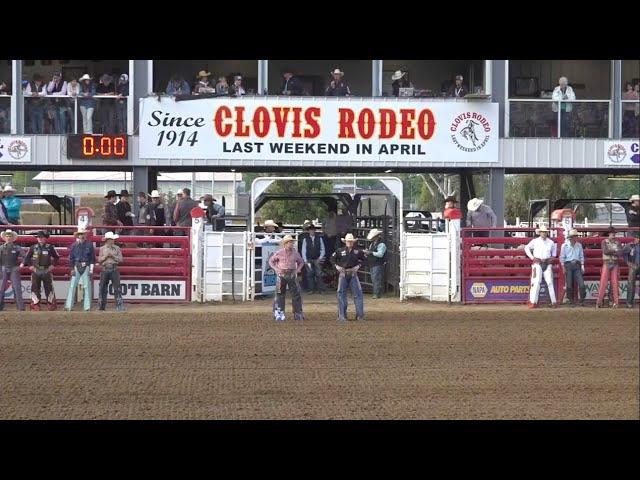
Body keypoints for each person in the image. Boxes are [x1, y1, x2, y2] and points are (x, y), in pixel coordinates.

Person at [268, 235, 305, 321]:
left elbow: (301, 262)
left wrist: (297, 270)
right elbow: (271, 261)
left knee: (296, 294)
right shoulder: (279, 253)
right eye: (289, 242)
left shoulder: (295, 253)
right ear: (285, 243)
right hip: (282, 274)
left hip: (291, 273)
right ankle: (279, 312)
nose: (291, 244)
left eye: (292, 242)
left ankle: (298, 313)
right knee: (280, 294)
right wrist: (276, 269)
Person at [21, 231, 60, 311]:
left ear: (45, 238)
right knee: (35, 287)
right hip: (36, 270)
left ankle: (50, 304)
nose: (40, 239)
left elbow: (57, 257)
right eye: (38, 237)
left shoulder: (50, 247)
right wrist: (30, 266)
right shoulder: (32, 247)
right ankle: (35, 304)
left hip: (46, 270)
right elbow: (27, 258)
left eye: (41, 237)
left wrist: (52, 266)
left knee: (49, 288)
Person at [332, 233, 366, 321]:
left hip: (353, 273)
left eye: (351, 241)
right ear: (345, 242)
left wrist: (358, 266)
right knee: (342, 294)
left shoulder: (358, 252)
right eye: (348, 241)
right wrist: (337, 266)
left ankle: (359, 315)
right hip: (343, 273)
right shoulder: (340, 251)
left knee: (356, 294)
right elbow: (332, 259)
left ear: (353, 242)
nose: (349, 243)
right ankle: (342, 315)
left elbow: (365, 260)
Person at [524, 225, 558, 308]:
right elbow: (526, 248)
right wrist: (532, 258)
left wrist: (551, 259)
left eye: (545, 232)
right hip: (538, 262)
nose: (544, 233)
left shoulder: (551, 242)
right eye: (543, 232)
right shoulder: (535, 241)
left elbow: (554, 254)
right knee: (536, 282)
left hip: (547, 262)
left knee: (549, 282)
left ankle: (553, 302)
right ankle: (533, 302)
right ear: (540, 233)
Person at [65, 229, 95, 312]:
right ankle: (69, 306)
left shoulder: (89, 245)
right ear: (78, 236)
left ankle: (87, 307)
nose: (81, 236)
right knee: (73, 286)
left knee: (86, 286)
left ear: (85, 235)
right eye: (80, 234)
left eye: (83, 234)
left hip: (86, 265)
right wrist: (71, 268)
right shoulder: (74, 245)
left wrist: (91, 269)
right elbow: (71, 258)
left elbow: (92, 258)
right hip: (76, 266)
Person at [98, 231, 125, 312]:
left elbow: (121, 260)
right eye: (112, 239)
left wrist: (113, 257)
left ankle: (119, 305)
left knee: (117, 288)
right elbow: (99, 260)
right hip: (105, 268)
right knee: (103, 288)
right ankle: (102, 306)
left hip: (114, 268)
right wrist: (106, 257)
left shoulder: (117, 248)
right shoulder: (102, 249)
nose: (113, 240)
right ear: (108, 240)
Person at [596, 227, 622, 309]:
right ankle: (601, 302)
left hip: (611, 263)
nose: (613, 235)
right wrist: (615, 251)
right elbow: (606, 251)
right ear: (609, 234)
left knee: (613, 283)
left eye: (614, 234)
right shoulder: (607, 242)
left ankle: (603, 302)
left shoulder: (607, 242)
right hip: (610, 263)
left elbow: (619, 252)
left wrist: (611, 251)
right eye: (612, 234)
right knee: (605, 283)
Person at [559, 228, 586, 307]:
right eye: (574, 236)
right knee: (569, 284)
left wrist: (582, 265)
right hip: (569, 265)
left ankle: (581, 300)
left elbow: (581, 256)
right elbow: (562, 257)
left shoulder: (578, 245)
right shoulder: (565, 246)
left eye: (576, 236)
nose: (576, 238)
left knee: (581, 284)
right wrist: (563, 267)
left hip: (576, 265)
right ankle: (571, 300)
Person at [0, 229, 25, 311]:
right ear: (5, 237)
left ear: (12, 237)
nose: (8, 237)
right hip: (3, 268)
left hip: (14, 268)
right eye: (7, 236)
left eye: (10, 236)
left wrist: (21, 265)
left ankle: (20, 308)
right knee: (1, 288)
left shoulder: (17, 247)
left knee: (17, 288)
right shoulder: (1, 248)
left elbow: (25, 257)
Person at [301, 224, 326, 294]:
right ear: (309, 231)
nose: (311, 231)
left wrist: (320, 258)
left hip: (317, 258)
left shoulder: (319, 238)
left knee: (319, 274)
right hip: (308, 259)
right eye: (310, 230)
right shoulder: (305, 239)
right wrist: (305, 260)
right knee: (310, 274)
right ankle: (311, 289)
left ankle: (320, 289)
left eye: (313, 230)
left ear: (314, 230)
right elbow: (303, 250)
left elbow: (323, 249)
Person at [365, 228, 386, 299]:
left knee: (375, 279)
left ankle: (377, 293)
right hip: (374, 263)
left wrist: (370, 252)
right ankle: (376, 293)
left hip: (377, 263)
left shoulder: (381, 244)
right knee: (375, 279)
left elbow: (380, 254)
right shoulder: (373, 244)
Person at [623, 233, 640, 308]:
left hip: (635, 265)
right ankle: (629, 302)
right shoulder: (629, 245)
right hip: (633, 265)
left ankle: (629, 302)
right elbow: (624, 253)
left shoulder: (630, 245)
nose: (638, 239)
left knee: (631, 283)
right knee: (631, 284)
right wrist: (628, 262)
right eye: (637, 238)